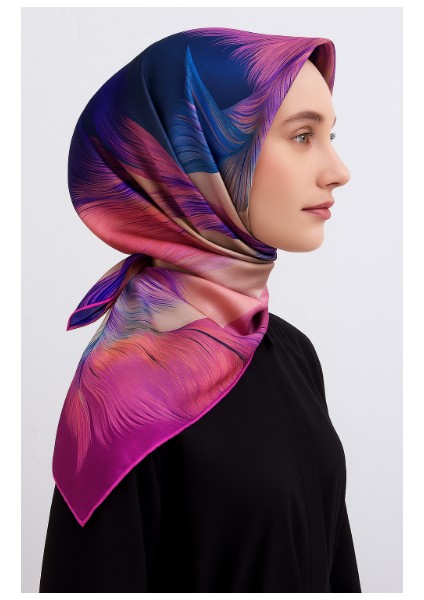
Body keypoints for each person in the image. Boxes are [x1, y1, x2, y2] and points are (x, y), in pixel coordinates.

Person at [39, 27, 361, 592]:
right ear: (199, 152)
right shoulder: (124, 388)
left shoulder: (291, 352)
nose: (339, 170)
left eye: (329, 135)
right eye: (302, 136)